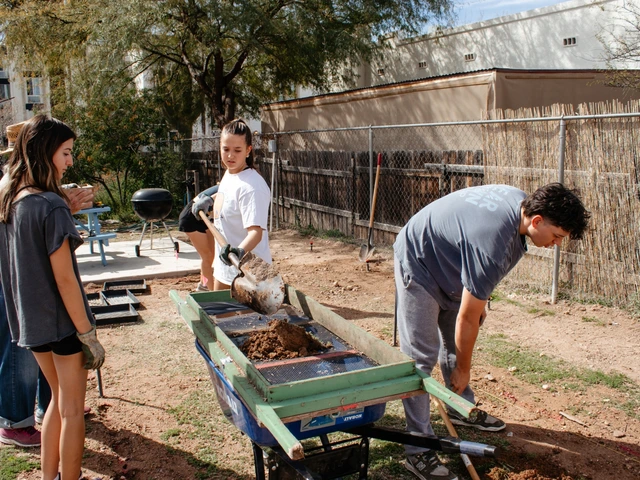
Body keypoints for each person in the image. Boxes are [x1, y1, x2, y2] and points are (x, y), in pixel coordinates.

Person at [394, 183, 590, 480]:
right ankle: (418, 450)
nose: (557, 244)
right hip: (420, 261)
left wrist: (479, 295)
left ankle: (461, 407)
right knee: (420, 360)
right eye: (557, 236)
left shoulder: (519, 205)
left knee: (458, 335)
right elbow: (467, 320)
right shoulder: (494, 240)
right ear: (537, 221)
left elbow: (473, 261)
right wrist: (463, 368)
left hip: (450, 264)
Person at [0, 114, 105, 480]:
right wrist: (87, 333)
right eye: (65, 153)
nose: (70, 162)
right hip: (62, 326)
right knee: (73, 408)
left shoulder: (12, 200)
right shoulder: (51, 206)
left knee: (58, 404)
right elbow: (65, 279)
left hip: (31, 325)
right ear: (45, 153)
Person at [192, 119, 272, 291]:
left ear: (248, 150)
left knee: (245, 319)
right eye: (226, 149)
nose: (230, 156)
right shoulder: (231, 173)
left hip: (250, 271)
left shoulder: (252, 187)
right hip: (226, 266)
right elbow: (227, 194)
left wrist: (238, 252)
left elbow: (256, 233)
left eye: (237, 150)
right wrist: (210, 200)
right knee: (220, 317)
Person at [178, 184, 219, 291]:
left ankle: (203, 284)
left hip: (204, 217)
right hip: (191, 217)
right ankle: (210, 292)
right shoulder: (228, 185)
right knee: (207, 257)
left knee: (212, 256)